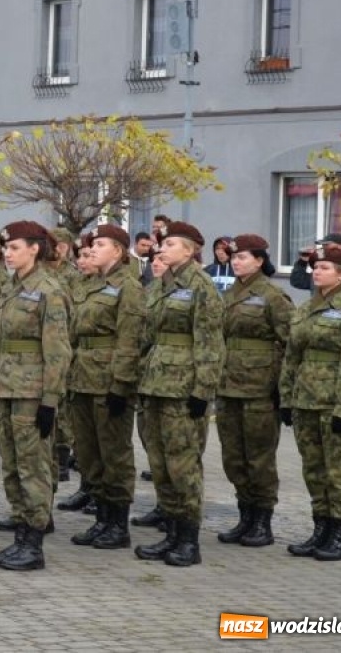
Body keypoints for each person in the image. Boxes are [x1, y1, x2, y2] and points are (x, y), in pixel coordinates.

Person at [134, 220, 222, 567]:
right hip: (156, 383)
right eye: (162, 244)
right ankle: (170, 532)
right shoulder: (161, 284)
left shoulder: (202, 287)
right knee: (160, 463)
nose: (162, 248)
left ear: (189, 250)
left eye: (170, 244)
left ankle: (188, 539)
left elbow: (210, 341)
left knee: (183, 465)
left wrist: (204, 389)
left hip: (184, 387)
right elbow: (147, 335)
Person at [0, 220, 71, 571]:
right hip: (5, 385)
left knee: (32, 466)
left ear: (35, 249)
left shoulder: (49, 289)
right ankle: (20, 535)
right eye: (6, 247)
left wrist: (50, 400)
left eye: (15, 247)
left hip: (32, 391)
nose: (8, 253)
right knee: (11, 466)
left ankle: (34, 541)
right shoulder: (11, 286)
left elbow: (58, 351)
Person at [281, 244, 341, 561]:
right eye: (315, 267)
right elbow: (292, 357)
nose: (317, 271)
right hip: (306, 399)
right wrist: (286, 397)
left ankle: (338, 535)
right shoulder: (305, 309)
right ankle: (320, 529)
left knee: (338, 472)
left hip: (335, 402)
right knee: (314, 470)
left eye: (324, 268)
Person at [62, 224, 144, 551]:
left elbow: (130, 339)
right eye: (91, 244)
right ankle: (101, 518)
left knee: (114, 453)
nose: (92, 249)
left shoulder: (129, 287)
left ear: (119, 251)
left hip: (108, 380)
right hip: (81, 377)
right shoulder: (86, 284)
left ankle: (117, 524)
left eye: (100, 244)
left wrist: (121, 384)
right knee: (88, 453)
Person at [213, 233, 293, 547]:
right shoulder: (230, 293)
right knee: (234, 457)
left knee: (259, 457)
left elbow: (290, 343)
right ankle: (245, 516)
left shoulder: (272, 296)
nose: (236, 262)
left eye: (242, 257)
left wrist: (281, 388)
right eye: (233, 257)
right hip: (229, 385)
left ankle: (262, 521)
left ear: (259, 261)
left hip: (260, 388)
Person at [290, 233, 341, 303]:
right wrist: (303, 261)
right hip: (318, 316)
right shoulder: (320, 269)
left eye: (327, 245)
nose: (324, 249)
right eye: (323, 246)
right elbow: (297, 281)